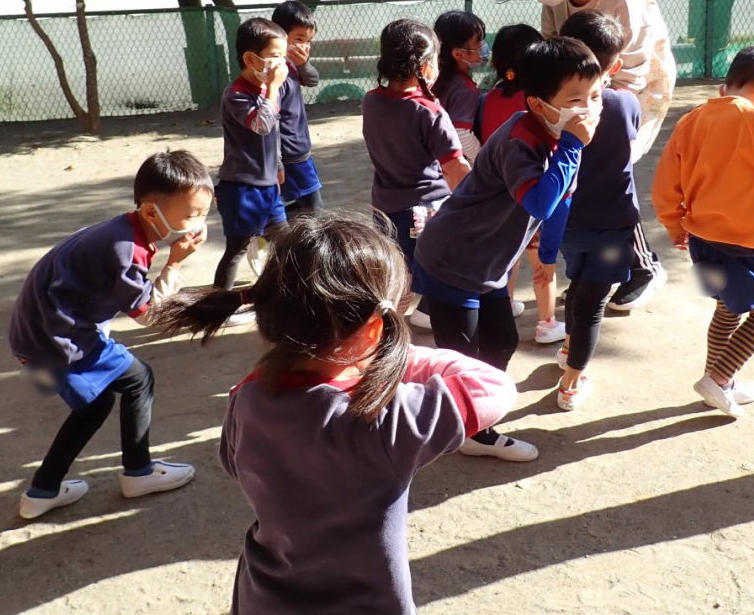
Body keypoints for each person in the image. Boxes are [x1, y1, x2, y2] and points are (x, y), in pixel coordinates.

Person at [153, 212, 518, 615]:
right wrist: (398, 356)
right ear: (374, 331)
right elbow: (495, 388)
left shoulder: (245, 399)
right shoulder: (384, 420)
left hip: (264, 598)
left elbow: (231, 461)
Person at [414, 38, 603, 458]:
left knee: (500, 342)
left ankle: (474, 413)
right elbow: (539, 200)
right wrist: (573, 146)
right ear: (539, 104)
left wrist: (548, 257)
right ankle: (468, 432)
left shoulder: (557, 133)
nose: (589, 107)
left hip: (488, 264)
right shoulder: (524, 138)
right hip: (454, 261)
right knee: (462, 355)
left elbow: (559, 203)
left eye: (595, 94)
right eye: (576, 99)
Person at [8, 150, 212, 519]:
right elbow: (149, 315)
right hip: (61, 340)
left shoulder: (124, 231)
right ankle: (139, 473)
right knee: (139, 380)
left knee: (96, 403)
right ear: (152, 212)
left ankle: (42, 492)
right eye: (191, 215)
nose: (198, 224)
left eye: (204, 213)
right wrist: (176, 263)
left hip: (38, 335)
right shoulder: (126, 250)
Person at [513, 0, 673, 311]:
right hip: (582, 92)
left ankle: (644, 267)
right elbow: (553, 51)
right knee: (579, 171)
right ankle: (594, 274)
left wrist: (591, 109)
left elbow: (630, 73)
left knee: (608, 171)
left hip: (630, 90)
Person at [652, 46, 754, 417]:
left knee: (727, 307)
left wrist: (675, 224)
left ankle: (718, 379)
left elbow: (665, 185)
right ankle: (720, 378)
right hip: (744, 241)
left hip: (701, 237)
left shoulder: (691, 120)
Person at [553, 10, 642, 410]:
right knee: (593, 300)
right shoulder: (624, 102)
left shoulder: (556, 108)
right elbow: (633, 133)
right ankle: (572, 382)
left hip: (569, 222)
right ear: (616, 64)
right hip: (613, 224)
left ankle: (570, 348)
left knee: (578, 285)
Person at [361, 19, 471, 328]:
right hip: (425, 210)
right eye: (436, 60)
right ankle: (392, 333)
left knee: (396, 270)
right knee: (433, 273)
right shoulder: (429, 111)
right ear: (425, 67)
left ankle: (394, 324)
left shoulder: (371, 101)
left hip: (384, 207)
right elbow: (454, 168)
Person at [477, 23, 564, 343]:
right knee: (540, 257)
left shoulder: (486, 100)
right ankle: (547, 322)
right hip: (535, 189)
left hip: (499, 193)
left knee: (507, 256)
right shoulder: (540, 103)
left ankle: (507, 305)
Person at [214, 18, 290, 298]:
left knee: (285, 243)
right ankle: (218, 302)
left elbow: (275, 130)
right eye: (274, 57)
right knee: (238, 248)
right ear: (250, 58)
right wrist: (272, 88)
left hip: (268, 186)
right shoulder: (236, 95)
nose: (280, 65)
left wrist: (278, 165)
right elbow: (262, 125)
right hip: (242, 188)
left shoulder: (264, 90)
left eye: (283, 57)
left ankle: (282, 295)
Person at [271, 0, 324, 216]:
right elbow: (271, 118)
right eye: (299, 39)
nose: (305, 46)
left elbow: (312, 80)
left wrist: (303, 64)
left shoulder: (292, 66)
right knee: (314, 210)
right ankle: (268, 229)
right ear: (280, 37)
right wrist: (277, 161)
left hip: (301, 151)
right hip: (290, 154)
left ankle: (268, 227)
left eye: (309, 41)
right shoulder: (277, 73)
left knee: (309, 208)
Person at [433, 10, 489, 166]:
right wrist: (482, 164)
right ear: (458, 54)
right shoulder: (465, 89)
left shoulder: (435, 79)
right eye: (478, 41)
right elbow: (461, 133)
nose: (483, 46)